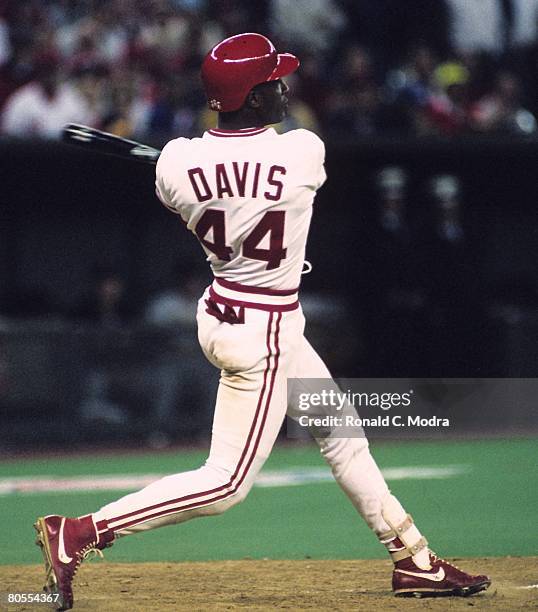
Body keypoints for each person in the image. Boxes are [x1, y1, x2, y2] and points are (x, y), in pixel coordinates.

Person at [34, 33, 490, 611]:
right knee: (226, 483)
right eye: (273, 81)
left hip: (229, 308)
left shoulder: (175, 164)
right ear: (250, 97)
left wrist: (212, 166)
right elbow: (265, 171)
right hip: (265, 330)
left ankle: (413, 558)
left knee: (341, 433)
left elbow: (193, 181)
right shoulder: (304, 150)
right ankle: (78, 533)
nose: (284, 87)